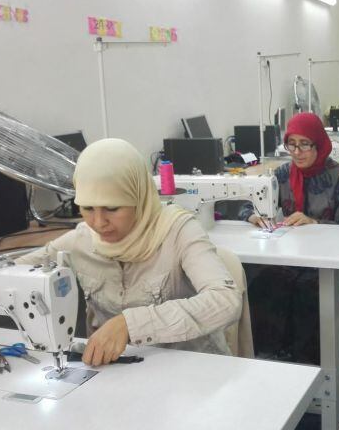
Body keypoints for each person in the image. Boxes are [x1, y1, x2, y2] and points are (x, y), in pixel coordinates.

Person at [17, 138, 242, 366]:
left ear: (138, 196)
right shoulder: (81, 240)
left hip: (196, 369)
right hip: (125, 371)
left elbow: (225, 301)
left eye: (112, 208)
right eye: (87, 208)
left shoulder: (178, 231)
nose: (98, 222)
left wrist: (131, 324)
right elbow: (14, 272)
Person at [239, 112, 339, 364]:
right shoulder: (282, 175)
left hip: (331, 258)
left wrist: (314, 222)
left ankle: (313, 365)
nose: (297, 151)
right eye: (291, 144)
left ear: (319, 143)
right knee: (261, 280)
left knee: (309, 292)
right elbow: (246, 205)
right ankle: (270, 356)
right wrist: (253, 216)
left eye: (305, 144)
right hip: (293, 255)